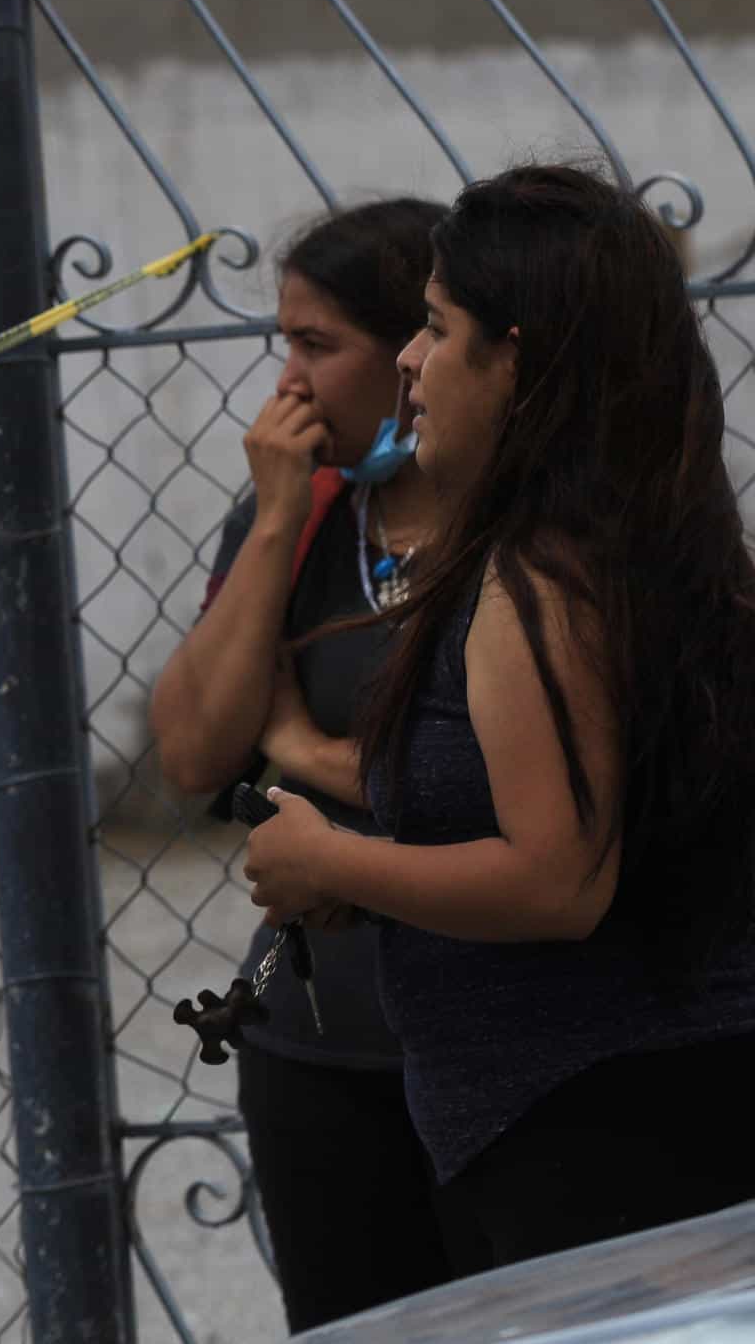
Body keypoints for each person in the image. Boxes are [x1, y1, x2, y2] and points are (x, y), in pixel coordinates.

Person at [243, 163, 755, 1277]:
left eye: (435, 328)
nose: (414, 363)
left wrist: (336, 856)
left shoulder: (543, 580)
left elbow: (555, 881)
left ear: (516, 357)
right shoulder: (646, 541)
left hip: (595, 1141)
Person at [149, 199, 454, 1330]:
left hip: (494, 1034)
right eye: (284, 344)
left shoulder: (523, 529)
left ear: (419, 349)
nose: (289, 383)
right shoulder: (314, 510)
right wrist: (279, 519)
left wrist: (305, 747)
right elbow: (190, 747)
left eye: (319, 347)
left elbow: (495, 782)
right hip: (321, 1038)